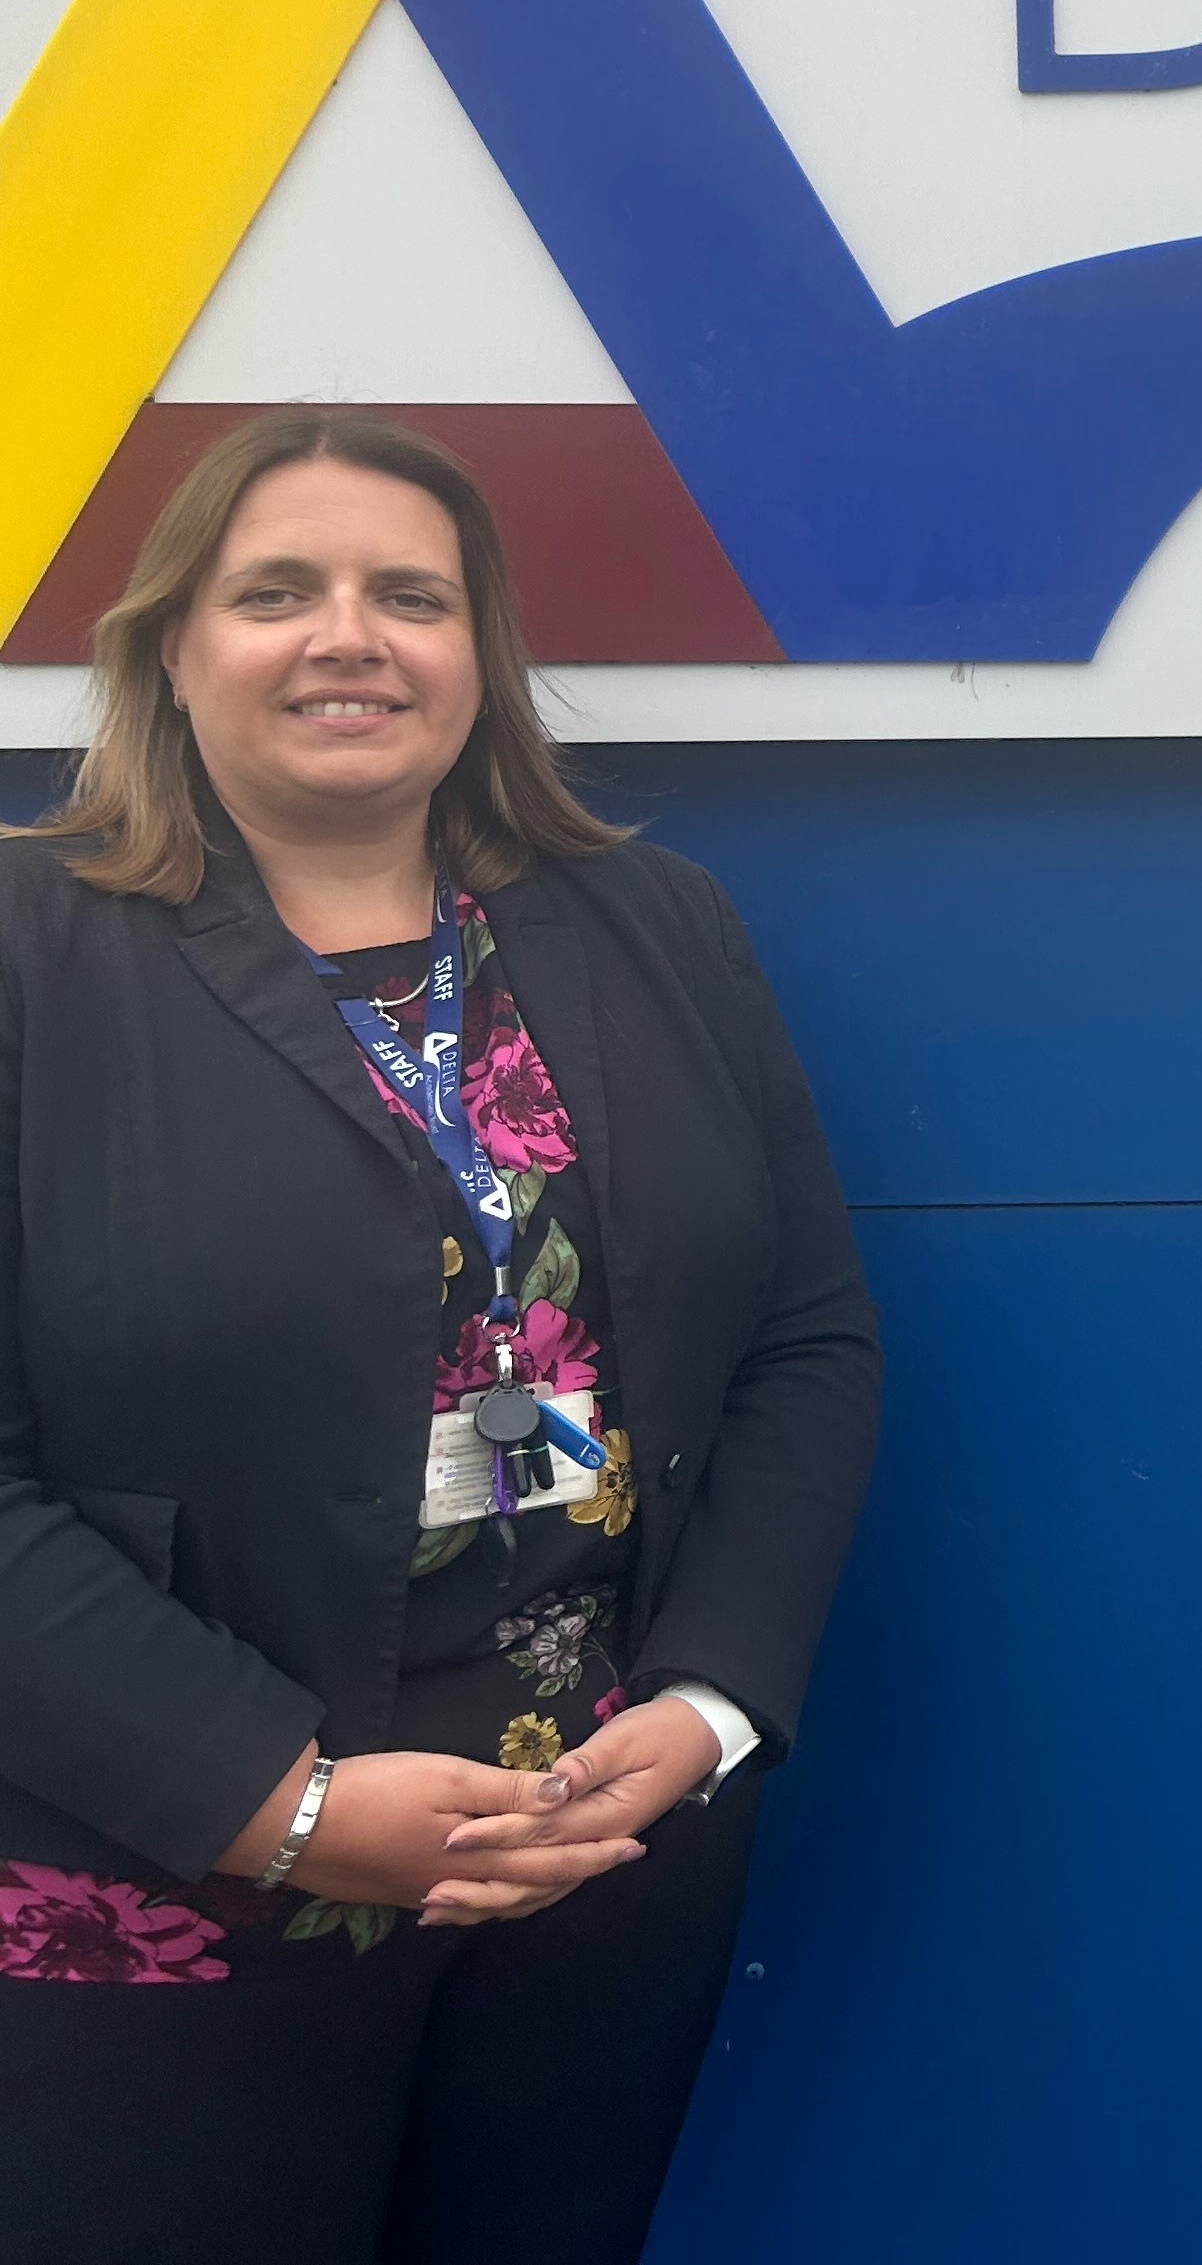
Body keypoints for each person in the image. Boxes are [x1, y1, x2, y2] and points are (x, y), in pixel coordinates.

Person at [0, 409, 881, 2263]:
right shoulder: (24, 953)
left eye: (411, 595)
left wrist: (711, 1710)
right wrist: (286, 1804)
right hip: (159, 1867)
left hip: (592, 1851)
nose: (349, 636)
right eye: (276, 593)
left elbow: (804, 1340)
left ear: (477, 656)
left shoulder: (656, 927)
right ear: (172, 648)